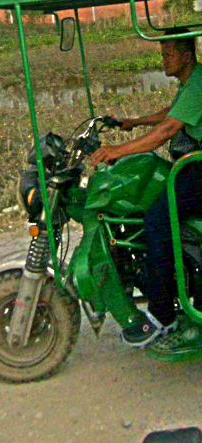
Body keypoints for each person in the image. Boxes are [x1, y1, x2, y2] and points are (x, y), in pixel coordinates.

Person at [90, 30, 202, 353]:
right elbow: (170, 113)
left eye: (168, 54)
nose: (163, 59)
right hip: (191, 167)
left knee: (157, 220)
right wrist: (134, 121)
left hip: (198, 169)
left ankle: (163, 315)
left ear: (186, 55)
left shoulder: (198, 83)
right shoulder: (191, 83)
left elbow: (167, 130)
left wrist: (117, 151)